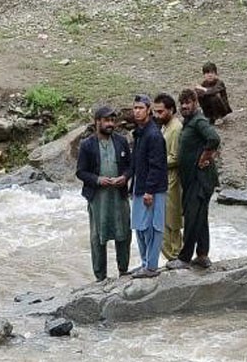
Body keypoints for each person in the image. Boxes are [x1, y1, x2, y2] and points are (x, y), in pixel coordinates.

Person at [166, 89, 221, 270]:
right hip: (192, 180)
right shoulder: (189, 122)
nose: (184, 106)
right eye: (182, 103)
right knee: (200, 217)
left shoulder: (198, 121)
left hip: (200, 179)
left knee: (191, 217)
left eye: (188, 102)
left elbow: (213, 138)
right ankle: (203, 255)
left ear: (195, 103)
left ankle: (184, 257)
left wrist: (205, 157)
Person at [75, 105, 132, 281]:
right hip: (98, 197)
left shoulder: (121, 141)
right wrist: (98, 180)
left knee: (124, 232)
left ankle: (123, 270)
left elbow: (131, 165)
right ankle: (100, 277)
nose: (110, 124)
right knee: (98, 236)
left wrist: (124, 177)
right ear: (97, 122)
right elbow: (80, 172)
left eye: (112, 120)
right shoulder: (87, 145)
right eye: (106, 120)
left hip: (119, 194)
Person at [128, 94, 167, 278]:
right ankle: (145, 262)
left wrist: (150, 190)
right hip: (139, 185)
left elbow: (157, 165)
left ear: (148, 110)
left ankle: (151, 266)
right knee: (139, 226)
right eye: (135, 108)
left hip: (152, 189)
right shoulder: (140, 132)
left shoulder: (153, 134)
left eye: (140, 108)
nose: (137, 111)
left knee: (152, 227)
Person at [153, 93, 184, 262]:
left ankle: (175, 257)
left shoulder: (176, 128)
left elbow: (176, 157)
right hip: (163, 178)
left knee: (171, 223)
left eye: (161, 111)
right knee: (163, 222)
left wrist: (154, 162)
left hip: (172, 180)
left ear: (171, 110)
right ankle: (172, 258)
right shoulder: (165, 126)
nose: (157, 115)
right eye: (155, 112)